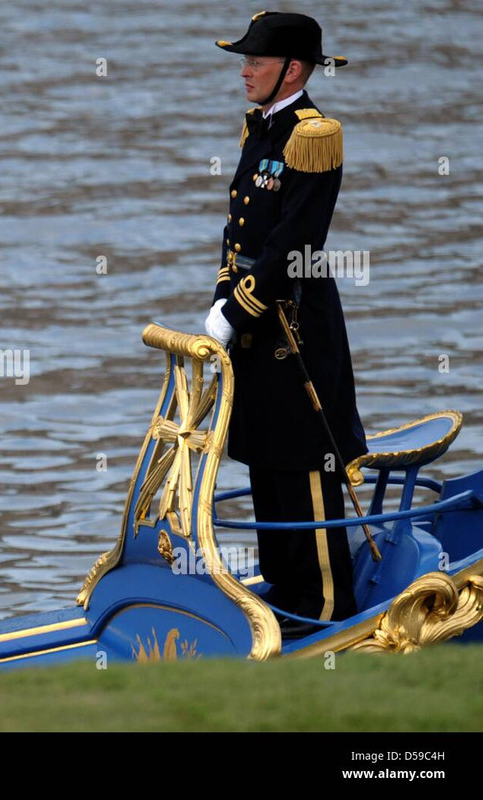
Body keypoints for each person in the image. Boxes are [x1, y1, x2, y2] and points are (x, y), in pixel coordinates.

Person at [204, 12, 367, 636]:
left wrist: (237, 309)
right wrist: (223, 297)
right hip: (254, 322)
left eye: (256, 61)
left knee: (305, 458)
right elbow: (239, 232)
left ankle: (325, 607)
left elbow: (294, 245)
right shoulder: (261, 127)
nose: (245, 71)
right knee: (266, 456)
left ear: (292, 70)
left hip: (294, 327)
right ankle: (284, 589)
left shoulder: (312, 136)